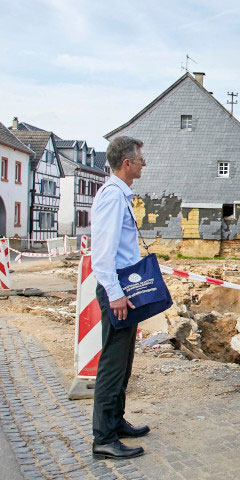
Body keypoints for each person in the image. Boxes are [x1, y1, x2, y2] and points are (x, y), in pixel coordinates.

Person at [90, 135, 149, 460]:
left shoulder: (118, 195)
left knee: (124, 361)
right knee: (113, 363)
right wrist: (115, 294)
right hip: (117, 290)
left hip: (123, 288)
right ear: (127, 163)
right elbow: (102, 253)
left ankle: (115, 420)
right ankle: (103, 437)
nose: (143, 163)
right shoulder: (113, 197)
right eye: (140, 159)